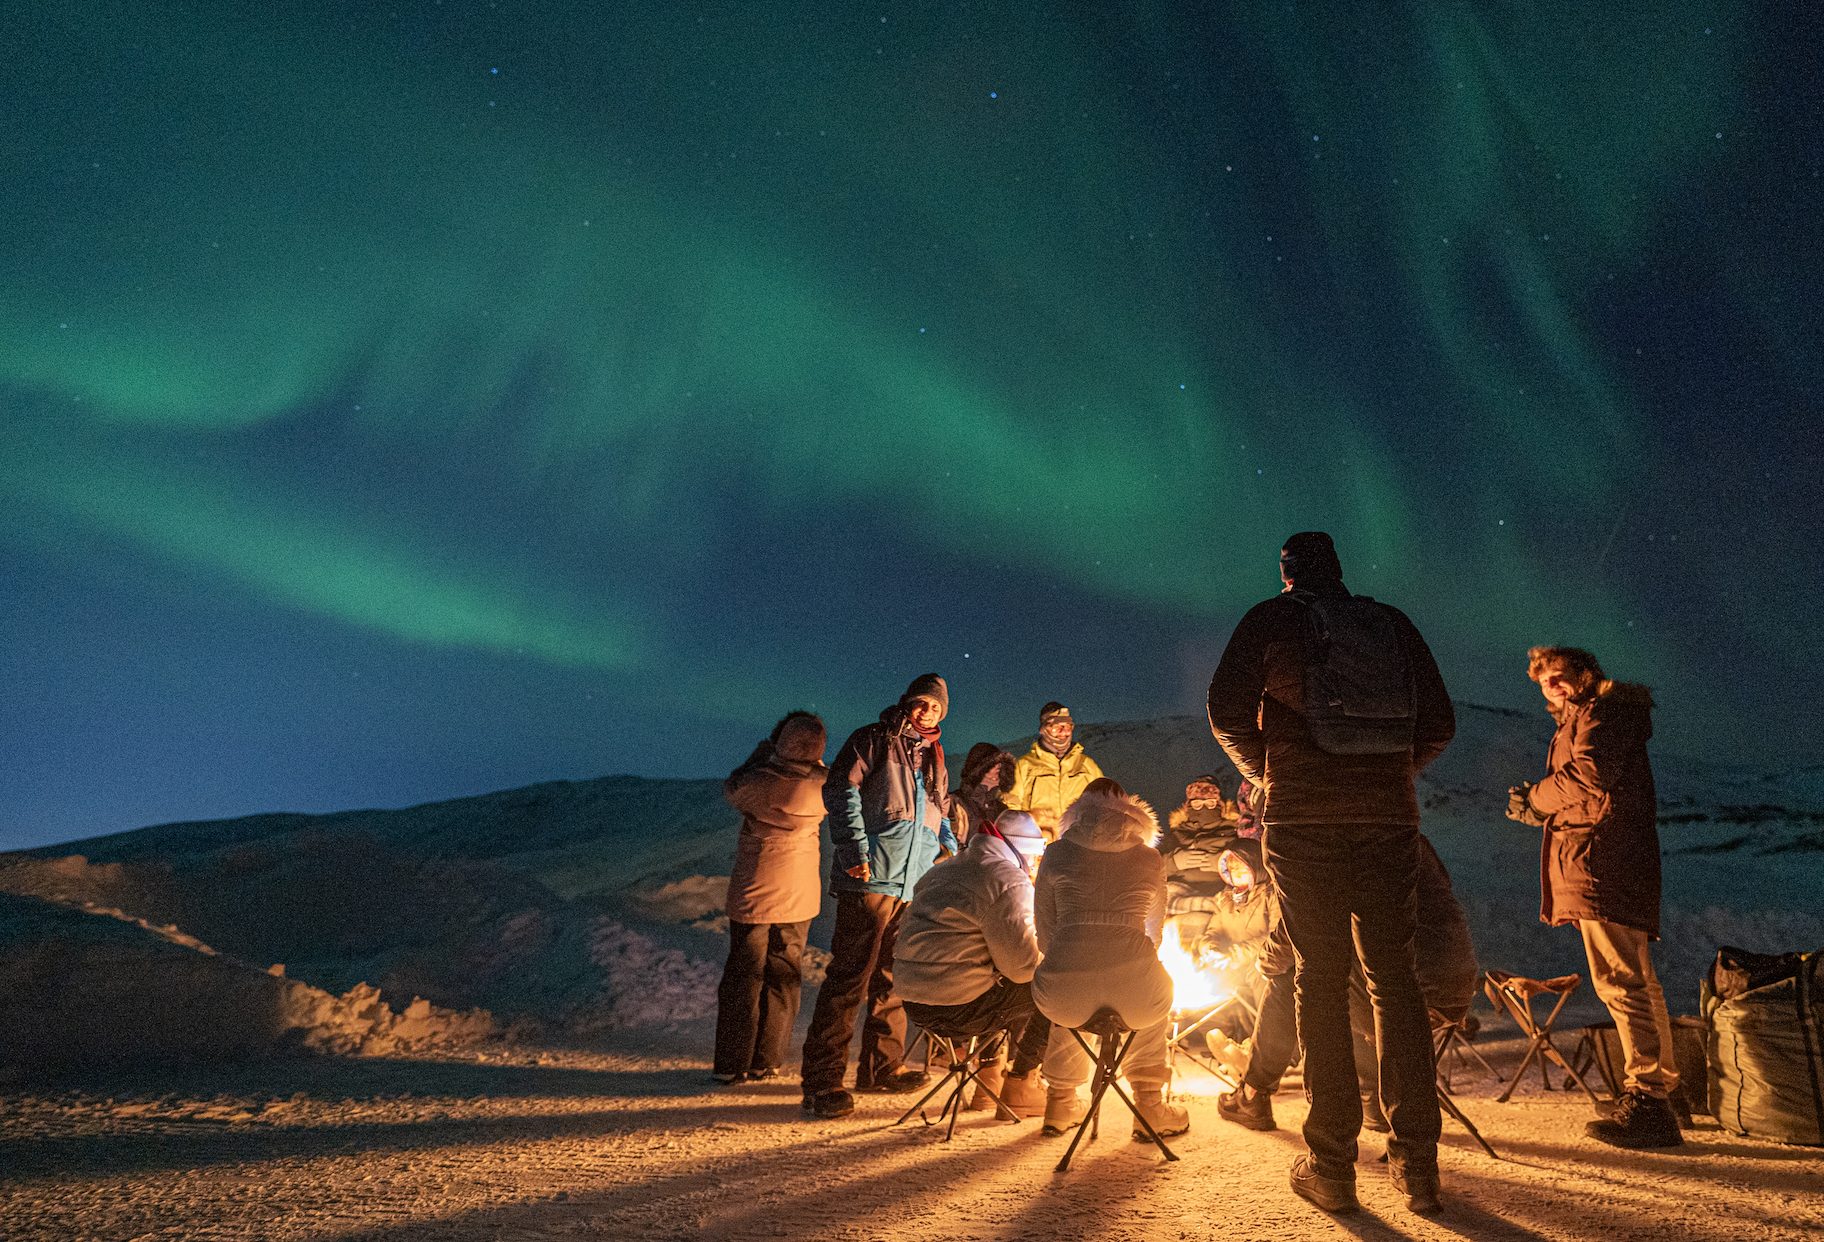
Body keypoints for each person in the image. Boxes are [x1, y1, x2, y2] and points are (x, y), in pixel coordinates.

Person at [1207, 531, 1455, 1216]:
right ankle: (1417, 1162)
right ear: (1340, 571)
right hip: (1386, 819)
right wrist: (1386, 776)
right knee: (1394, 977)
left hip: (1305, 820)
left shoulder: (1270, 619)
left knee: (1318, 977)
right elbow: (1440, 721)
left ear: (1285, 573)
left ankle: (1333, 1163)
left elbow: (1224, 709)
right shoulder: (1391, 623)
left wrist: (1271, 774)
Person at [1507, 645, 1681, 1149]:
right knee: (1636, 979)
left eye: (1560, 676)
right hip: (1603, 856)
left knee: (1620, 981)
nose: (1552, 686)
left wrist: (1537, 801)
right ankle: (1660, 1092)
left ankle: (1649, 1101)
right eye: (1544, 682)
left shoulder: (1603, 711)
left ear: (1585, 674)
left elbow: (1591, 774)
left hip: (1602, 859)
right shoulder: (1588, 716)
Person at [1218, 834, 1477, 1137]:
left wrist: (1264, 964)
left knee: (1296, 977)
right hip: (1455, 988)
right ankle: (1374, 1101)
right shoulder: (1409, 838)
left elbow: (1297, 926)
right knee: (1353, 980)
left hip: (1403, 995)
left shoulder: (1334, 843)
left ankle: (1253, 1092)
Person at [799, 675, 959, 1119]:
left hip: (912, 884)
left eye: (935, 707)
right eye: (921, 703)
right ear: (908, 702)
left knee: (893, 978)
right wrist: (853, 849)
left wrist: (948, 847)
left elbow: (939, 809)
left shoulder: (934, 756)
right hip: (870, 876)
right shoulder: (873, 739)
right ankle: (823, 1082)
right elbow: (840, 788)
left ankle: (881, 1067)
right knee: (850, 978)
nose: (927, 712)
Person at [1030, 778, 1190, 1141]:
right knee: (1152, 992)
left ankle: (1060, 1101)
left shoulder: (1056, 853)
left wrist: (1073, 954)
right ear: (1129, 809)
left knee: (1067, 986)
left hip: (1063, 996)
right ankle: (1149, 1106)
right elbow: (1154, 932)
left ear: (1079, 810)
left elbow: (1045, 931)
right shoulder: (1149, 857)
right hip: (1134, 991)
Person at [896, 809, 1049, 1119]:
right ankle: (1021, 1083)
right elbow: (1022, 968)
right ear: (1022, 851)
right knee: (1057, 986)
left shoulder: (944, 869)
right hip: (959, 1008)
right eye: (1033, 858)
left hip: (915, 1003)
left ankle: (988, 1082)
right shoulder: (1007, 880)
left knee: (988, 973)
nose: (1033, 866)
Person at [713, 711, 829, 1084]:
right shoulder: (825, 786)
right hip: (800, 891)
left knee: (744, 976)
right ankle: (768, 1060)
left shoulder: (760, 780)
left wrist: (760, 755)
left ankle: (732, 1064)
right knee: (785, 975)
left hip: (756, 889)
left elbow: (732, 788)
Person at [1158, 774, 1244, 952]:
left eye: (1210, 804)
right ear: (1188, 807)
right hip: (1178, 892)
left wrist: (1222, 864)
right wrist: (1174, 862)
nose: (1203, 808)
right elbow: (1149, 868)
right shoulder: (1176, 835)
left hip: (1218, 891)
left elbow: (1251, 865)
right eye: (1197, 804)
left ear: (1220, 807)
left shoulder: (1233, 833)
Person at [1006, 702, 1104, 840]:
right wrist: (1032, 829)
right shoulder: (1024, 766)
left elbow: (1105, 804)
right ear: (1043, 729)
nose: (1063, 732)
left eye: (1068, 727)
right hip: (1039, 847)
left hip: (1079, 846)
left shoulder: (1087, 765)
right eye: (1057, 728)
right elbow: (1010, 811)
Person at [948, 743, 1016, 848]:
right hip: (965, 863)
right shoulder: (955, 803)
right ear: (979, 768)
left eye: (1000, 763)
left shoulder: (1001, 810)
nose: (998, 766)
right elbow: (950, 844)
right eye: (993, 763)